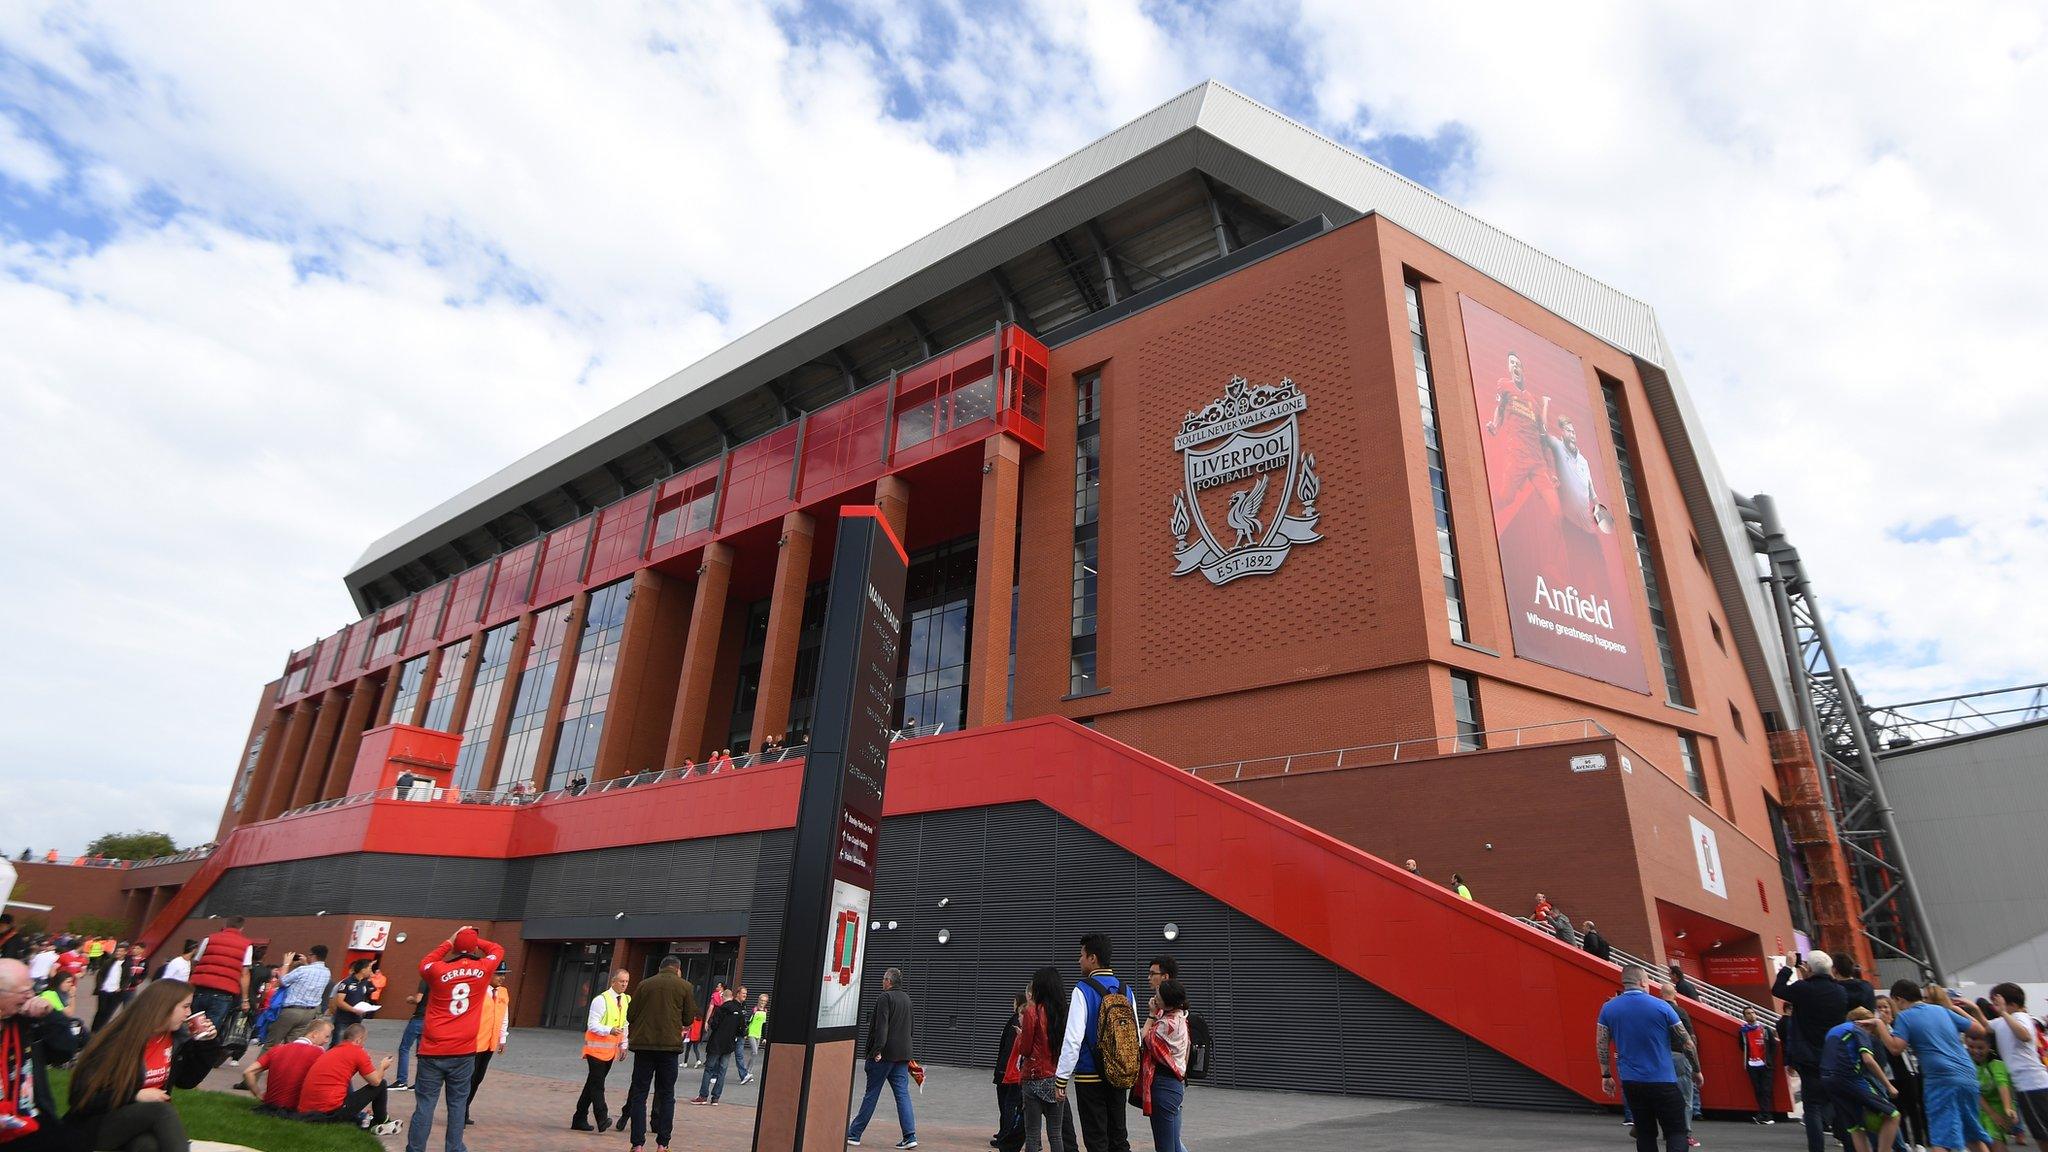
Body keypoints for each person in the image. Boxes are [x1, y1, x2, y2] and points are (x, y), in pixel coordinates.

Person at [63, 978, 223, 1152]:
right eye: (185, 1006)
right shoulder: (116, 1042)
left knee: (147, 1145)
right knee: (161, 1111)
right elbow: (79, 1098)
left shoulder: (176, 1038)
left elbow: (187, 1081)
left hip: (138, 1126)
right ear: (163, 1007)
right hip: (96, 1125)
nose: (189, 1013)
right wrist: (135, 1095)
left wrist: (207, 1044)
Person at [404, 926, 503, 1152]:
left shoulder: (438, 970)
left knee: (425, 1104)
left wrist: (449, 942)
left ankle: (416, 1148)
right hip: (463, 1050)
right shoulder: (484, 968)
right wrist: (476, 941)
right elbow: (497, 948)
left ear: (455, 947)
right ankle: (454, 1147)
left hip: (433, 1048)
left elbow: (426, 961)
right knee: (457, 1104)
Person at [1884, 980, 1994, 1152]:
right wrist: (1956, 1009)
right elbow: (1980, 1030)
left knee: (1941, 1139)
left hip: (1941, 1079)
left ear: (1899, 999)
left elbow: (1895, 1048)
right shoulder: (1942, 1010)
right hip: (1967, 1074)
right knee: (1972, 1134)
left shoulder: (1905, 1017)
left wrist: (1879, 1026)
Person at [1597, 964, 1695, 1152]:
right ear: (1643, 982)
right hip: (1663, 1081)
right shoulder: (1662, 1006)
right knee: (1676, 1131)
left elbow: (1601, 1044)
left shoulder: (1608, 1008)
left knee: (1645, 1133)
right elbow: (1687, 1042)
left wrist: (1606, 1075)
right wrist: (1696, 1070)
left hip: (1632, 1083)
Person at [1055, 935, 1137, 1152]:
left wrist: (1061, 1078)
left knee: (1096, 1139)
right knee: (1118, 1138)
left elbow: (1073, 1039)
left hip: (1090, 1076)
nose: (1078, 960)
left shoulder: (1083, 989)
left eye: (1081, 955)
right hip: (1118, 1075)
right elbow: (1134, 1036)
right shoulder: (1126, 990)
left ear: (1093, 958)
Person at [2, 956, 89, 1152]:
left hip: (29, 1117)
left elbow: (64, 1053)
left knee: (76, 1142)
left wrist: (50, 1015)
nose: (31, 996)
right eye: (24, 991)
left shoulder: (28, 1022)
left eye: (32, 988)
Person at [1775, 950, 1851, 1152]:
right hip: (1835, 1056)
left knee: (1812, 1108)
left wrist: (1789, 966)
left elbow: (1778, 989)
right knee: (1839, 1103)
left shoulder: (1803, 989)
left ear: (1809, 968)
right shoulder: (1840, 992)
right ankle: (1848, 1143)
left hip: (1809, 1057)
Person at [621, 955, 695, 1152]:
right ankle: (663, 1143)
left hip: (644, 1047)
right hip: (669, 1048)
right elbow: (688, 1017)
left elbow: (631, 1014)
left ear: (660, 968)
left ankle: (637, 1144)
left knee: (639, 1094)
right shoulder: (685, 986)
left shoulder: (645, 985)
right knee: (667, 1094)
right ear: (677, 969)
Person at [847, 966, 917, 1148]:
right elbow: (911, 1028)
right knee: (903, 1095)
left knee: (871, 1094)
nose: (882, 982)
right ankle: (910, 1136)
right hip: (903, 1055)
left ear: (889, 981)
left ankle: (854, 1134)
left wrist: (876, 1050)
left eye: (884, 979)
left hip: (884, 1055)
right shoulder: (907, 999)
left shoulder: (885, 998)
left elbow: (881, 1026)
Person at [1819, 1007, 1902, 1152]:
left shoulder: (1834, 1030)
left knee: (1855, 1126)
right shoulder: (1859, 1030)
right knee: (1893, 1114)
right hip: (1848, 1077)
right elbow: (1868, 1060)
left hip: (1827, 1079)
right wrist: (1889, 1086)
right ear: (1866, 1023)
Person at [298, 1021, 399, 1134]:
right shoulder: (357, 1051)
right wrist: (383, 1066)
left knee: (345, 1092)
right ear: (358, 1040)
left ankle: (365, 1122)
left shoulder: (333, 1050)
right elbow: (375, 1081)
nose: (363, 1045)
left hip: (307, 1110)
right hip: (330, 1111)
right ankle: (381, 1120)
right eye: (363, 1041)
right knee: (381, 1083)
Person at [186, 918, 254, 1059]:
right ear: (241, 928)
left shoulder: (209, 939)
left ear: (225, 925)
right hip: (224, 993)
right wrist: (245, 999)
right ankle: (196, 1059)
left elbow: (197, 961)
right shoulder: (247, 945)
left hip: (200, 988)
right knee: (209, 1030)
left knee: (191, 1024)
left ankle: (182, 1051)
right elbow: (244, 973)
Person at [573, 969, 631, 1132]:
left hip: (610, 1051)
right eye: (621, 981)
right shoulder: (601, 1000)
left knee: (591, 1084)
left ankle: (579, 1118)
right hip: (595, 1050)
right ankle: (602, 1118)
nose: (624, 984)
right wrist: (609, 1030)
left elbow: (625, 1024)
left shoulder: (626, 1000)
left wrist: (624, 1044)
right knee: (598, 1085)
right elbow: (592, 1024)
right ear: (613, 982)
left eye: (626, 982)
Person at [1987, 983, 2048, 1139]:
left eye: (1998, 1004)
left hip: (2032, 1085)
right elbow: (1985, 1027)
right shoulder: (2004, 1021)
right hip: (2034, 1084)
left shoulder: (2019, 1017)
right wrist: (1968, 1009)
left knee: (2042, 1135)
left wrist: (2003, 1013)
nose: (1995, 1008)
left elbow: (2024, 1035)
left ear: (2012, 1004)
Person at [1138, 979, 1190, 1152]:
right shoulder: (1181, 1016)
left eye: (1158, 996)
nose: (1155, 997)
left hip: (1163, 1087)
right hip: (1175, 1085)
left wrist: (1151, 1015)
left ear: (1167, 1003)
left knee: (1165, 1146)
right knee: (1174, 1144)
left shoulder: (1165, 1024)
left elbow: (1144, 1037)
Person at [241, 1017, 330, 1114]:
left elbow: (248, 1072)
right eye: (326, 1036)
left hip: (269, 1104)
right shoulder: (318, 1052)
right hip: (294, 1108)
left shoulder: (278, 1049)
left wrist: (258, 1094)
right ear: (315, 1034)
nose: (326, 1041)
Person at [1877, 995, 1930, 1152]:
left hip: (1907, 1071)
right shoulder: (1876, 1029)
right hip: (1889, 1075)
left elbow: (1901, 1046)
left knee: (1914, 1107)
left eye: (1885, 1006)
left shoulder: (1899, 1024)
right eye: (1879, 1007)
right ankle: (1905, 1141)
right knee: (1897, 1110)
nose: (1883, 1010)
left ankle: (1920, 1142)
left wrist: (1886, 1026)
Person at [1656, 982, 1703, 1145]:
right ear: (1674, 994)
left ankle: (1667, 1131)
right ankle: (1685, 1133)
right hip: (1679, 1056)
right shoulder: (1680, 1012)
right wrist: (1697, 1068)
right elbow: (1690, 1040)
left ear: (1661, 994)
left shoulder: (1655, 1011)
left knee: (1662, 1097)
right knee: (1685, 1098)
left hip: (1659, 1058)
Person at [691, 984, 747, 1105]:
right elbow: (741, 1029)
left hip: (716, 1043)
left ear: (722, 998)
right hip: (729, 1044)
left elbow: (714, 1025)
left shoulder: (721, 1009)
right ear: (732, 996)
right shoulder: (739, 1011)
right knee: (722, 1070)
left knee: (709, 1069)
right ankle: (716, 1098)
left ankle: (703, 1095)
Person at [467, 966, 510, 1122]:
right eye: (499, 974)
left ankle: (465, 1108)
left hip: (490, 1043)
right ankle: (461, 1112)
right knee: (469, 1078)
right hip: (475, 1042)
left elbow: (504, 1016)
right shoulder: (478, 991)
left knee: (478, 1078)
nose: (502, 977)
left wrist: (502, 1038)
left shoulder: (503, 992)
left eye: (504, 974)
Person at [268, 943, 332, 1049]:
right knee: (292, 1045)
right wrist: (306, 963)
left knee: (272, 1043)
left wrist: (286, 964)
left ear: (313, 956)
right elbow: (312, 974)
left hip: (291, 1010)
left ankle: (261, 1064)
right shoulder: (327, 972)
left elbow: (282, 981)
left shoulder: (302, 970)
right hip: (309, 1013)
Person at [1970, 1032, 2018, 1150]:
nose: (1976, 1051)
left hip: (1999, 1105)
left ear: (1989, 1046)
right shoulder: (1968, 1064)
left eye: (1981, 1048)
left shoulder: (1996, 1063)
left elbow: (2003, 1084)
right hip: (1978, 1108)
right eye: (1972, 1047)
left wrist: (2008, 1109)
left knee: (1997, 1144)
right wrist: (1991, 1113)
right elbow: (1975, 1091)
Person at [994, 990, 1026, 1150]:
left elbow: (1011, 1051)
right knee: (1013, 1105)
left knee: (1009, 1105)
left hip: (1011, 1073)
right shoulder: (1016, 1023)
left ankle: (1007, 1135)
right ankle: (1004, 1133)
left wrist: (1003, 1070)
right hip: (1012, 1072)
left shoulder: (1017, 1022)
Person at [1738, 1005, 1778, 1124]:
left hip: (1765, 1064)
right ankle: (1763, 1113)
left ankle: (1767, 1115)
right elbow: (1741, 1045)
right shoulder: (1743, 1031)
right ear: (1744, 1016)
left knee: (1766, 1089)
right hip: (1752, 1064)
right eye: (1748, 1013)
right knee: (1758, 1090)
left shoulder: (1765, 1029)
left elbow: (1773, 1045)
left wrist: (1769, 1059)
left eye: (1753, 1012)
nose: (1751, 1015)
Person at [330, 957, 379, 1043]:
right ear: (363, 970)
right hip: (343, 1020)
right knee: (338, 1043)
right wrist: (353, 1009)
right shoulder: (346, 982)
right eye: (369, 968)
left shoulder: (365, 983)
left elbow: (372, 989)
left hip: (357, 1020)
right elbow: (339, 1001)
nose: (370, 971)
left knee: (352, 1044)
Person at [394, 975, 429, 1090]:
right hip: (429, 1020)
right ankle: (419, 1083)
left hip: (418, 1018)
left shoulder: (425, 981)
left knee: (404, 1048)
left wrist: (410, 999)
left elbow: (418, 999)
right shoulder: (437, 982)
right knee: (421, 1053)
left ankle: (401, 1081)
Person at [90, 947, 136, 1031]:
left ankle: (100, 1030)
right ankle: (94, 1030)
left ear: (125, 952)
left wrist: (121, 988)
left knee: (108, 1013)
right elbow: (100, 974)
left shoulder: (128, 964)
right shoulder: (109, 962)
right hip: (104, 990)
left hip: (116, 992)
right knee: (100, 1011)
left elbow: (128, 978)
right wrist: (100, 986)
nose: (118, 952)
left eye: (121, 951)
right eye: (117, 951)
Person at [729, 984, 754, 1085]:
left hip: (741, 1035)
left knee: (739, 1055)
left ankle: (743, 1075)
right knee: (724, 1054)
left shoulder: (744, 1004)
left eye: (746, 994)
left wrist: (745, 1031)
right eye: (743, 993)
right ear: (738, 994)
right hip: (733, 1034)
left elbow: (744, 1019)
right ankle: (714, 1075)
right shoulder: (733, 1005)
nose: (745, 995)